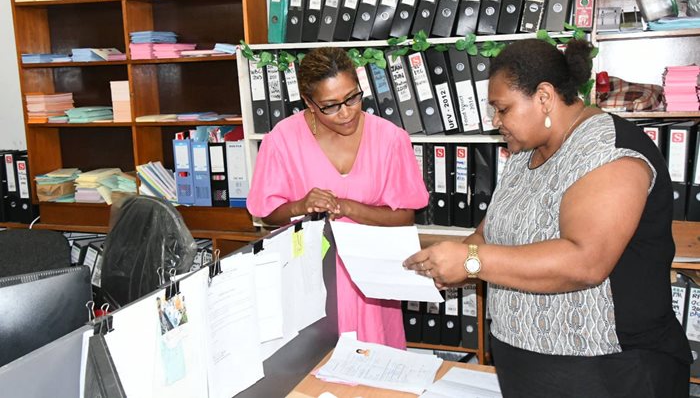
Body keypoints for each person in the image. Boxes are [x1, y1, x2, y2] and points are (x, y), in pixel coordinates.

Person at [404, 39, 692, 397]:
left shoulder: (611, 153)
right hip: (526, 369)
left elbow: (585, 262)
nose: (496, 121)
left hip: (609, 373)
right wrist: (441, 265)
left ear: (543, 97)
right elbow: (489, 233)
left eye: (503, 109)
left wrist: (471, 261)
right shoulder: (525, 154)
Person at [247, 47, 429, 349]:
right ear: (309, 103)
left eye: (352, 97)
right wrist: (300, 205)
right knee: (314, 367)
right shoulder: (282, 140)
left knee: (374, 367)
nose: (346, 113)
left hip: (371, 284)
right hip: (310, 282)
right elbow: (267, 214)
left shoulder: (390, 138)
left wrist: (346, 207)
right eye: (330, 106)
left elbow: (404, 217)